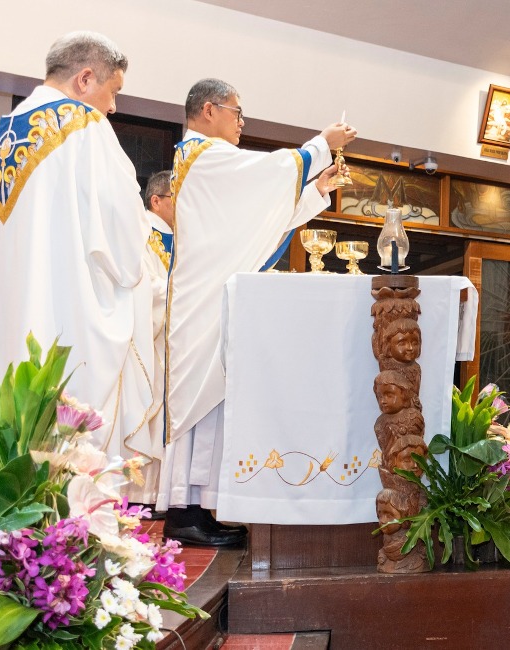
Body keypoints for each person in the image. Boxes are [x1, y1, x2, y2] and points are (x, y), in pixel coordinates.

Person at [159, 77, 356, 546]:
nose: (242, 122)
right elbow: (266, 174)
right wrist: (320, 146)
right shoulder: (203, 155)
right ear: (208, 110)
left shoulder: (203, 160)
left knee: (213, 399)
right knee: (200, 402)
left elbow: (253, 214)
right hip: (202, 298)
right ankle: (185, 513)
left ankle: (200, 507)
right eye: (237, 111)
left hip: (209, 294)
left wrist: (314, 191)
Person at [0, 32, 152, 463]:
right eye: (114, 92)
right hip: (63, 312)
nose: (113, 107)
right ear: (85, 79)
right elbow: (125, 241)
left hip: (2, 317)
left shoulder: (0, 133)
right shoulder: (87, 127)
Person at [125, 171, 175, 509]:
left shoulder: (178, 236)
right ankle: (140, 494)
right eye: (177, 196)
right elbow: (140, 283)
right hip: (149, 338)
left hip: (173, 339)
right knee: (150, 408)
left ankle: (161, 493)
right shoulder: (142, 231)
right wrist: (179, 293)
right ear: (156, 200)